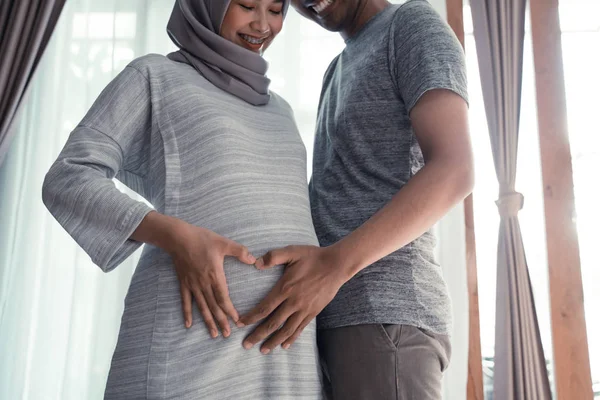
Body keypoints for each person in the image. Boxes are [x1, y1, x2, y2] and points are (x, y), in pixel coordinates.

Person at [42, 0, 324, 398]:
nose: (263, 24)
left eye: (276, 9)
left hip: (282, 353)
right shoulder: (154, 76)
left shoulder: (281, 110)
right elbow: (69, 175)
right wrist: (177, 236)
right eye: (246, 5)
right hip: (190, 336)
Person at [238, 0, 474, 399]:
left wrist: (333, 265)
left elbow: (455, 169)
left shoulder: (411, 25)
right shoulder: (337, 67)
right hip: (333, 319)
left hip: (386, 315)